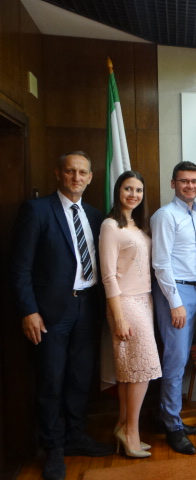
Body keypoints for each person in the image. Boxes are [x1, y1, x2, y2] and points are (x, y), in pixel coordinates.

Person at [12, 151, 114, 480]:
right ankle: (53, 448)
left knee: (80, 378)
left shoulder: (95, 216)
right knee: (51, 380)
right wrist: (29, 310)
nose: (76, 177)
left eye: (82, 172)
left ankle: (76, 436)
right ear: (58, 173)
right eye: (70, 171)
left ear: (90, 177)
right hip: (51, 313)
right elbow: (20, 267)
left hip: (88, 307)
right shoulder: (37, 210)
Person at [99, 171, 161, 458]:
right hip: (124, 303)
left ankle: (123, 425)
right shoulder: (110, 225)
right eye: (128, 189)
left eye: (138, 190)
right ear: (118, 191)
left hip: (145, 300)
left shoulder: (139, 225)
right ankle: (132, 432)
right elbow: (108, 276)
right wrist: (119, 317)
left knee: (130, 371)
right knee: (143, 369)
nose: (133, 194)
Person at [151, 161, 196, 455]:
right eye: (184, 181)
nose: (190, 186)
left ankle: (170, 417)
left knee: (181, 360)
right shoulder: (165, 216)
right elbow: (161, 264)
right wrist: (175, 303)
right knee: (175, 360)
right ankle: (172, 427)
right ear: (173, 184)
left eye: (194, 181)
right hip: (175, 293)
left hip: (194, 289)